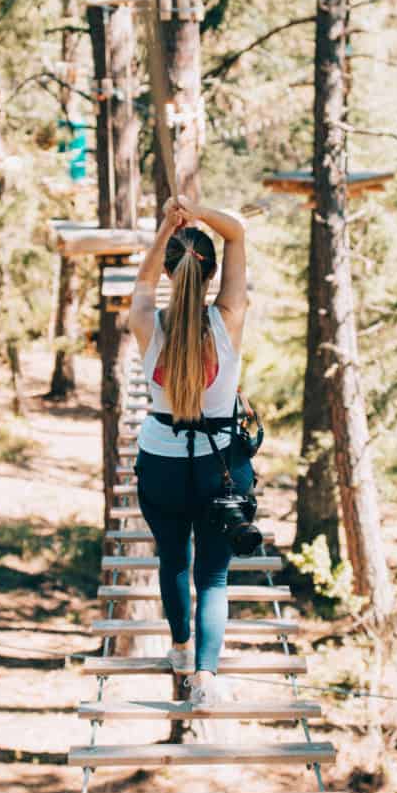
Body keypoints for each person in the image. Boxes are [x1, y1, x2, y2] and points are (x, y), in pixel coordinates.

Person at [128, 195, 252, 710]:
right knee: (214, 577)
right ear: (211, 274)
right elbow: (238, 231)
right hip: (220, 466)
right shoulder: (229, 320)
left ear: (172, 273)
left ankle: (180, 650)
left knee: (173, 558)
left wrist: (165, 230)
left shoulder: (145, 326)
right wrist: (195, 212)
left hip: (159, 462)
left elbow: (142, 284)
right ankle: (204, 677)